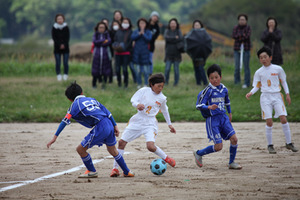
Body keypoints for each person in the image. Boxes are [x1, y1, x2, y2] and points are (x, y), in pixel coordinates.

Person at [47, 82, 135, 178]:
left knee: (80, 149)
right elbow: (108, 113)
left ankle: (91, 171)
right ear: (82, 93)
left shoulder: (74, 105)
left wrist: (55, 137)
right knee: (113, 150)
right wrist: (115, 126)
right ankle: (127, 171)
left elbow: (64, 121)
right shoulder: (92, 100)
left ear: (69, 99)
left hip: (101, 126)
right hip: (108, 123)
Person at [110, 73, 176, 177]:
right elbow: (133, 100)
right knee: (121, 143)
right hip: (138, 120)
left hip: (150, 123)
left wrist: (170, 124)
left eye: (162, 86)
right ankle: (115, 169)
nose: (160, 88)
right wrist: (137, 105)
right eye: (158, 86)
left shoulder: (162, 98)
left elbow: (165, 110)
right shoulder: (143, 91)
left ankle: (166, 158)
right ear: (152, 84)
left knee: (150, 146)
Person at [245, 46, 298, 154]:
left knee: (283, 118)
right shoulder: (259, 72)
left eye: (265, 57)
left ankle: (289, 143)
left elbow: (283, 82)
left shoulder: (278, 69)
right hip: (265, 97)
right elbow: (257, 86)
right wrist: (251, 92)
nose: (263, 59)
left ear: (270, 57)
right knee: (269, 121)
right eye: (261, 57)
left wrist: (287, 94)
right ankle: (270, 145)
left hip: (277, 96)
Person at [194, 64, 242, 170]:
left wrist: (229, 113)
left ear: (220, 77)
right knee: (218, 147)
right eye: (211, 78)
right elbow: (198, 105)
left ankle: (231, 162)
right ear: (209, 79)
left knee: (234, 139)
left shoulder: (224, 89)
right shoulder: (208, 91)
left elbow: (227, 102)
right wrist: (209, 107)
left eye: (216, 77)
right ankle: (199, 153)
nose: (214, 80)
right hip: (213, 120)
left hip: (223, 118)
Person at [186, 20, 211, 85]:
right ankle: (198, 83)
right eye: (195, 25)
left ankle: (205, 82)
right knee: (196, 69)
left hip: (202, 55)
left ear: (200, 25)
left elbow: (208, 41)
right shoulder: (191, 33)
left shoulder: (204, 32)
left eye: (198, 25)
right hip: (194, 54)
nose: (196, 26)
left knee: (201, 68)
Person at [131, 18, 152, 88]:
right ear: (138, 24)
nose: (142, 24)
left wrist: (143, 34)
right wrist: (139, 34)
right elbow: (132, 38)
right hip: (137, 53)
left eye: (143, 23)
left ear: (146, 24)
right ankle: (139, 83)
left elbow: (149, 39)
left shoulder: (148, 32)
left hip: (145, 53)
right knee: (138, 70)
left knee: (146, 70)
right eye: (140, 23)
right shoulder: (136, 31)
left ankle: (146, 83)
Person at [232, 14, 251, 89]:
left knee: (246, 66)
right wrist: (242, 36)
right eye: (240, 19)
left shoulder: (248, 28)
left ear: (246, 21)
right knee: (237, 66)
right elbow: (234, 36)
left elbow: (247, 36)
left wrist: (239, 36)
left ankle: (247, 82)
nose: (242, 21)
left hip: (246, 49)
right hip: (237, 49)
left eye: (243, 19)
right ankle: (237, 82)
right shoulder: (235, 27)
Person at [113, 17, 133, 88]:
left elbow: (130, 42)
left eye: (126, 22)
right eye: (124, 22)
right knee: (117, 69)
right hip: (118, 53)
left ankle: (126, 83)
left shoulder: (130, 32)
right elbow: (115, 40)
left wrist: (124, 48)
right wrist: (117, 46)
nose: (125, 24)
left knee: (125, 69)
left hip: (126, 53)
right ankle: (119, 83)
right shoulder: (118, 31)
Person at [91, 21, 112, 89]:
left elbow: (109, 41)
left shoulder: (107, 34)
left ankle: (104, 85)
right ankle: (94, 84)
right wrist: (103, 40)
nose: (101, 29)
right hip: (97, 55)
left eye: (103, 27)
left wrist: (101, 42)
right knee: (95, 70)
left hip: (105, 55)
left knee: (105, 70)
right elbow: (95, 42)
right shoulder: (95, 34)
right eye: (100, 27)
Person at [164, 18, 183, 86]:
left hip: (177, 54)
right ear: (169, 24)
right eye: (171, 23)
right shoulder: (167, 31)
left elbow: (180, 38)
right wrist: (175, 38)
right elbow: (166, 38)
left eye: (174, 23)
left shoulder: (179, 31)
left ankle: (176, 83)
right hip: (168, 53)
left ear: (176, 24)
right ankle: (166, 82)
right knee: (167, 69)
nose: (173, 25)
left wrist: (171, 39)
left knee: (176, 70)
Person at [52, 14, 70, 81]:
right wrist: (59, 45)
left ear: (63, 19)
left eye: (61, 18)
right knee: (58, 62)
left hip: (66, 48)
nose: (59, 20)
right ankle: (58, 75)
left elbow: (67, 37)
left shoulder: (66, 27)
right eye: (58, 19)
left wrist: (64, 44)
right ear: (56, 20)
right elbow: (54, 38)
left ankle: (65, 75)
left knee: (65, 62)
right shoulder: (54, 27)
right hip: (57, 48)